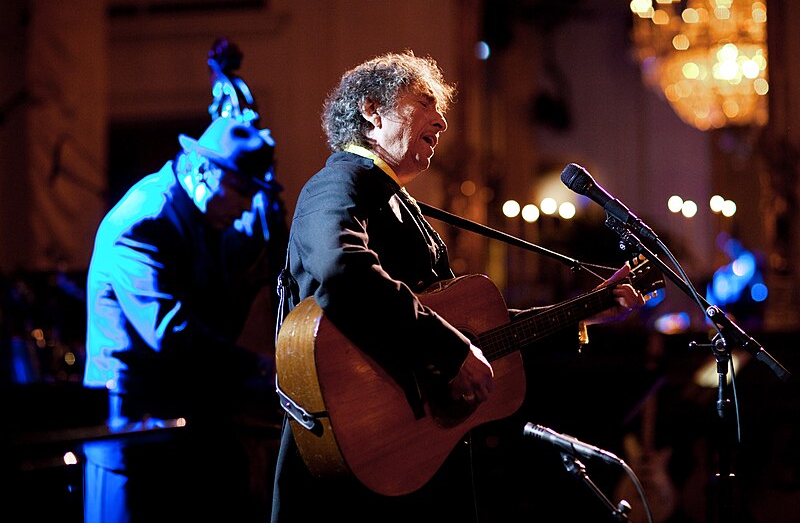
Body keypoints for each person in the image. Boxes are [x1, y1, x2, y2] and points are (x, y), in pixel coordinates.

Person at [270, 50, 646, 523]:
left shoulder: (395, 199)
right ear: (371, 110)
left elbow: (471, 332)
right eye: (426, 102)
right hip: (354, 456)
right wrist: (448, 353)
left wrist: (581, 312)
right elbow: (342, 270)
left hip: (412, 455)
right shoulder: (338, 184)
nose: (442, 122)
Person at [82, 115, 285, 522]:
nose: (246, 208)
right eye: (241, 192)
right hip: (135, 430)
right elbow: (169, 333)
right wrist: (261, 369)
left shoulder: (199, 215)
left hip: (180, 424)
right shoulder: (146, 219)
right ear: (202, 170)